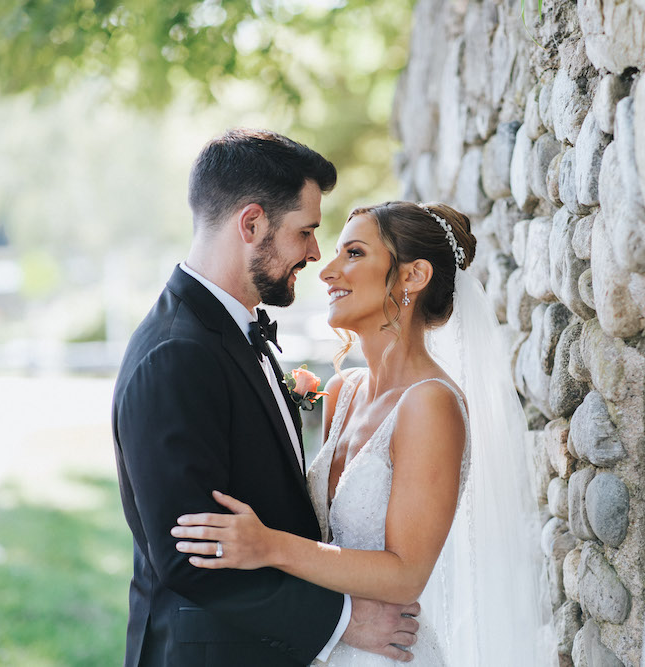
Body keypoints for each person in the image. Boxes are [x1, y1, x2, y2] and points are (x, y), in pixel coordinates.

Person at [171, 201, 555, 665]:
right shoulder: (342, 392)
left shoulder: (431, 403)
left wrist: (269, 546)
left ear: (414, 276)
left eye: (353, 253)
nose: (327, 271)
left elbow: (407, 574)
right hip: (325, 645)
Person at [111, 130, 421, 667]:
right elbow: (194, 557)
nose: (315, 252)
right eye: (305, 231)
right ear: (251, 224)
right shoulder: (176, 354)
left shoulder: (228, 331)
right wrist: (344, 621)